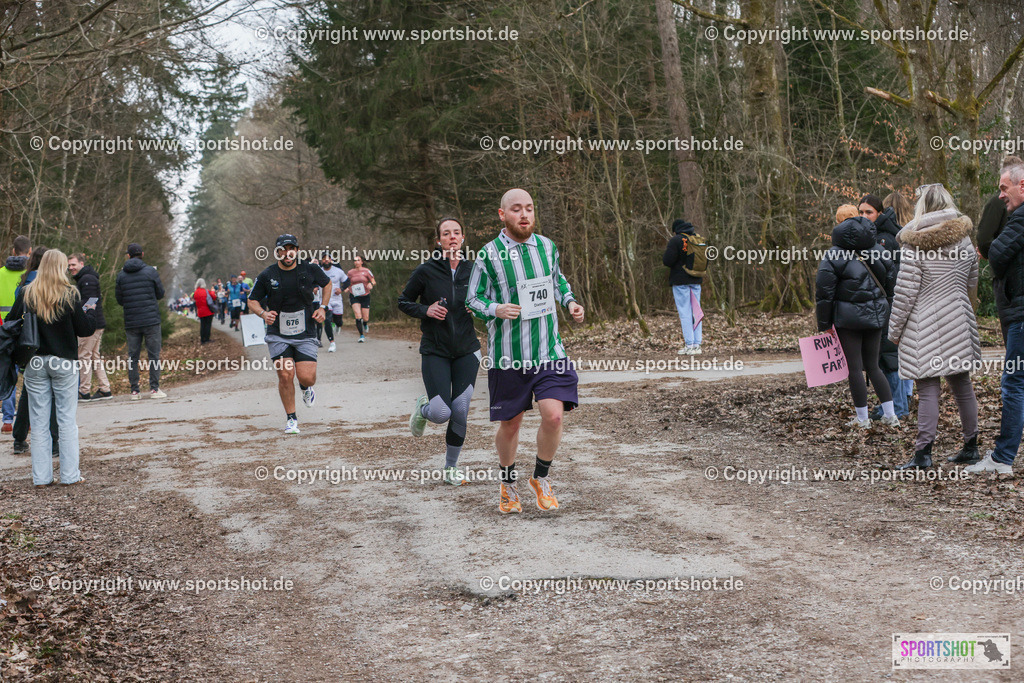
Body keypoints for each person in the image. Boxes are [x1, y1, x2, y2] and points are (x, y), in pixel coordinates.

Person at [467, 188, 585, 514]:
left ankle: (541, 478)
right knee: (511, 425)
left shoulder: (547, 247)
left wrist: (570, 302)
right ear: (502, 215)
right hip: (509, 355)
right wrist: (495, 309)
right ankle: (508, 483)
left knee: (554, 415)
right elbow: (472, 299)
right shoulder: (488, 254)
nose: (524, 215)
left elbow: (558, 281)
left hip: (549, 352)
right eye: (517, 209)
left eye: (529, 208)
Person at [888, 185, 980, 469]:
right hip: (958, 318)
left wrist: (894, 332)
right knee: (962, 384)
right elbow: (972, 283)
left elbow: (905, 294)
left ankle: (923, 453)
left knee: (928, 388)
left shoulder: (913, 243)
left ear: (922, 207)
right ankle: (971, 446)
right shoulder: (964, 240)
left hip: (923, 324)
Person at [399, 218, 481, 486]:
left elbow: (489, 299)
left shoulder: (475, 270)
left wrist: (478, 306)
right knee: (441, 413)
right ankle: (423, 409)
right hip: (436, 350)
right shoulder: (426, 270)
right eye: (446, 234)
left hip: (467, 349)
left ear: (463, 238)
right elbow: (403, 301)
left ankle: (451, 468)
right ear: (439, 241)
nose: (452, 237)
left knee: (460, 408)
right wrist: (426, 309)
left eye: (457, 232)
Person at [8, 250, 97, 486]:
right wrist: (90, 312)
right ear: (61, 267)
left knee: (38, 424)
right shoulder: (70, 294)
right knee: (66, 421)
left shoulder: (27, 293)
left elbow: (10, 323)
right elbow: (85, 330)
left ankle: (41, 478)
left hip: (35, 362)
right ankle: (69, 476)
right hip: (64, 362)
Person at [815, 215, 900, 429]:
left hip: (847, 320)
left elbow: (824, 293)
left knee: (854, 368)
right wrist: (887, 310)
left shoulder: (833, 255)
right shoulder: (880, 251)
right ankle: (891, 415)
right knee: (874, 366)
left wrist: (824, 324)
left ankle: (862, 419)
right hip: (876, 317)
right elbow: (891, 284)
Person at [971, 157, 1024, 474]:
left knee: (1014, 382)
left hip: (1020, 315)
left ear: (1022, 185)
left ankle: (1003, 458)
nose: (1001, 195)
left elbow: (997, 255)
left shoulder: (1019, 218)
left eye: (1004, 188)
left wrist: (993, 251)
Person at [247, 234, 331, 434]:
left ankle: (305, 388)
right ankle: (291, 419)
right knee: (285, 375)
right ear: (277, 252)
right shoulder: (268, 275)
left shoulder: (309, 269)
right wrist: (263, 314)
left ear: (297, 251)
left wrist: (323, 307)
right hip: (278, 333)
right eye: (282, 250)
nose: (287, 253)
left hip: (306, 331)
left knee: (307, 378)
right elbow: (252, 300)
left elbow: (327, 284)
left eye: (291, 249)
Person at [860, 193, 910, 421]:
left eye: (869, 212)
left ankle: (897, 406)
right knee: (884, 357)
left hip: (887, 305)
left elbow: (889, 276)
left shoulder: (884, 240)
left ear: (879, 213)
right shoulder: (876, 236)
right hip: (881, 305)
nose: (864, 216)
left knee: (889, 358)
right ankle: (893, 403)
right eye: (861, 212)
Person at [11, 247, 59, 455]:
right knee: (54, 395)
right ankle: (55, 442)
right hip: (52, 346)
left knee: (28, 393)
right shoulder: (53, 285)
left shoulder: (23, 284)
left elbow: (14, 316)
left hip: (29, 347)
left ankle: (19, 438)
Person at [115, 243, 166, 399]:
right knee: (153, 355)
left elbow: (119, 299)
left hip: (132, 321)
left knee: (133, 357)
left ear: (128, 255)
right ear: (142, 254)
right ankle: (154, 389)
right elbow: (160, 293)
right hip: (151, 320)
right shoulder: (151, 272)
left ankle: (134, 391)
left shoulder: (121, 275)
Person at [68, 253, 111, 401]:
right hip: (95, 324)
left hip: (91, 325)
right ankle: (105, 389)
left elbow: (91, 300)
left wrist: (80, 317)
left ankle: (84, 391)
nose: (71, 268)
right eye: (69, 265)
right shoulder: (85, 278)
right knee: (93, 356)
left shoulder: (87, 279)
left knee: (84, 356)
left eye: (73, 264)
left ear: (81, 263)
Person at [0, 235, 30, 433]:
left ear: (12, 251)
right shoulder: (31, 274)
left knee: (7, 372)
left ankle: (8, 420)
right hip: (27, 328)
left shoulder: (1, 274)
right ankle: (29, 419)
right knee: (30, 375)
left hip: (4, 329)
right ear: (30, 251)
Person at [662, 219, 704, 355]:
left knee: (685, 313)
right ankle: (697, 345)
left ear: (676, 230)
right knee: (696, 312)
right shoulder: (697, 239)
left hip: (680, 282)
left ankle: (689, 345)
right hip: (696, 280)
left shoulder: (676, 240)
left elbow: (667, 261)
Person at [318, 253, 349, 353]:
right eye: (324, 259)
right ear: (321, 261)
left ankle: (338, 325)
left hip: (337, 299)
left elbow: (347, 281)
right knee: (327, 320)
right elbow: (312, 281)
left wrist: (341, 289)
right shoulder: (318, 271)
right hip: (324, 299)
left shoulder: (338, 271)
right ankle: (332, 343)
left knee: (338, 321)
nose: (326, 260)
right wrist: (314, 288)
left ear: (331, 260)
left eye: (328, 258)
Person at [347, 256, 375, 342]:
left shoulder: (366, 271)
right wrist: (346, 288)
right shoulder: (350, 272)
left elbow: (373, 280)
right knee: (358, 315)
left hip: (365, 295)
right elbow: (347, 282)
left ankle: (365, 323)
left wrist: (371, 284)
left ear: (362, 262)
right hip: (354, 295)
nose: (356, 262)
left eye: (358, 260)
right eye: (355, 260)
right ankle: (361, 335)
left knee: (365, 318)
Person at [193, 278, 217, 344]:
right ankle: (207, 338)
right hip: (208, 310)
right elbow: (214, 297)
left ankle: (202, 339)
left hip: (200, 311)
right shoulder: (206, 291)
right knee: (208, 325)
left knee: (202, 325)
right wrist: (213, 291)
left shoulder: (195, 292)